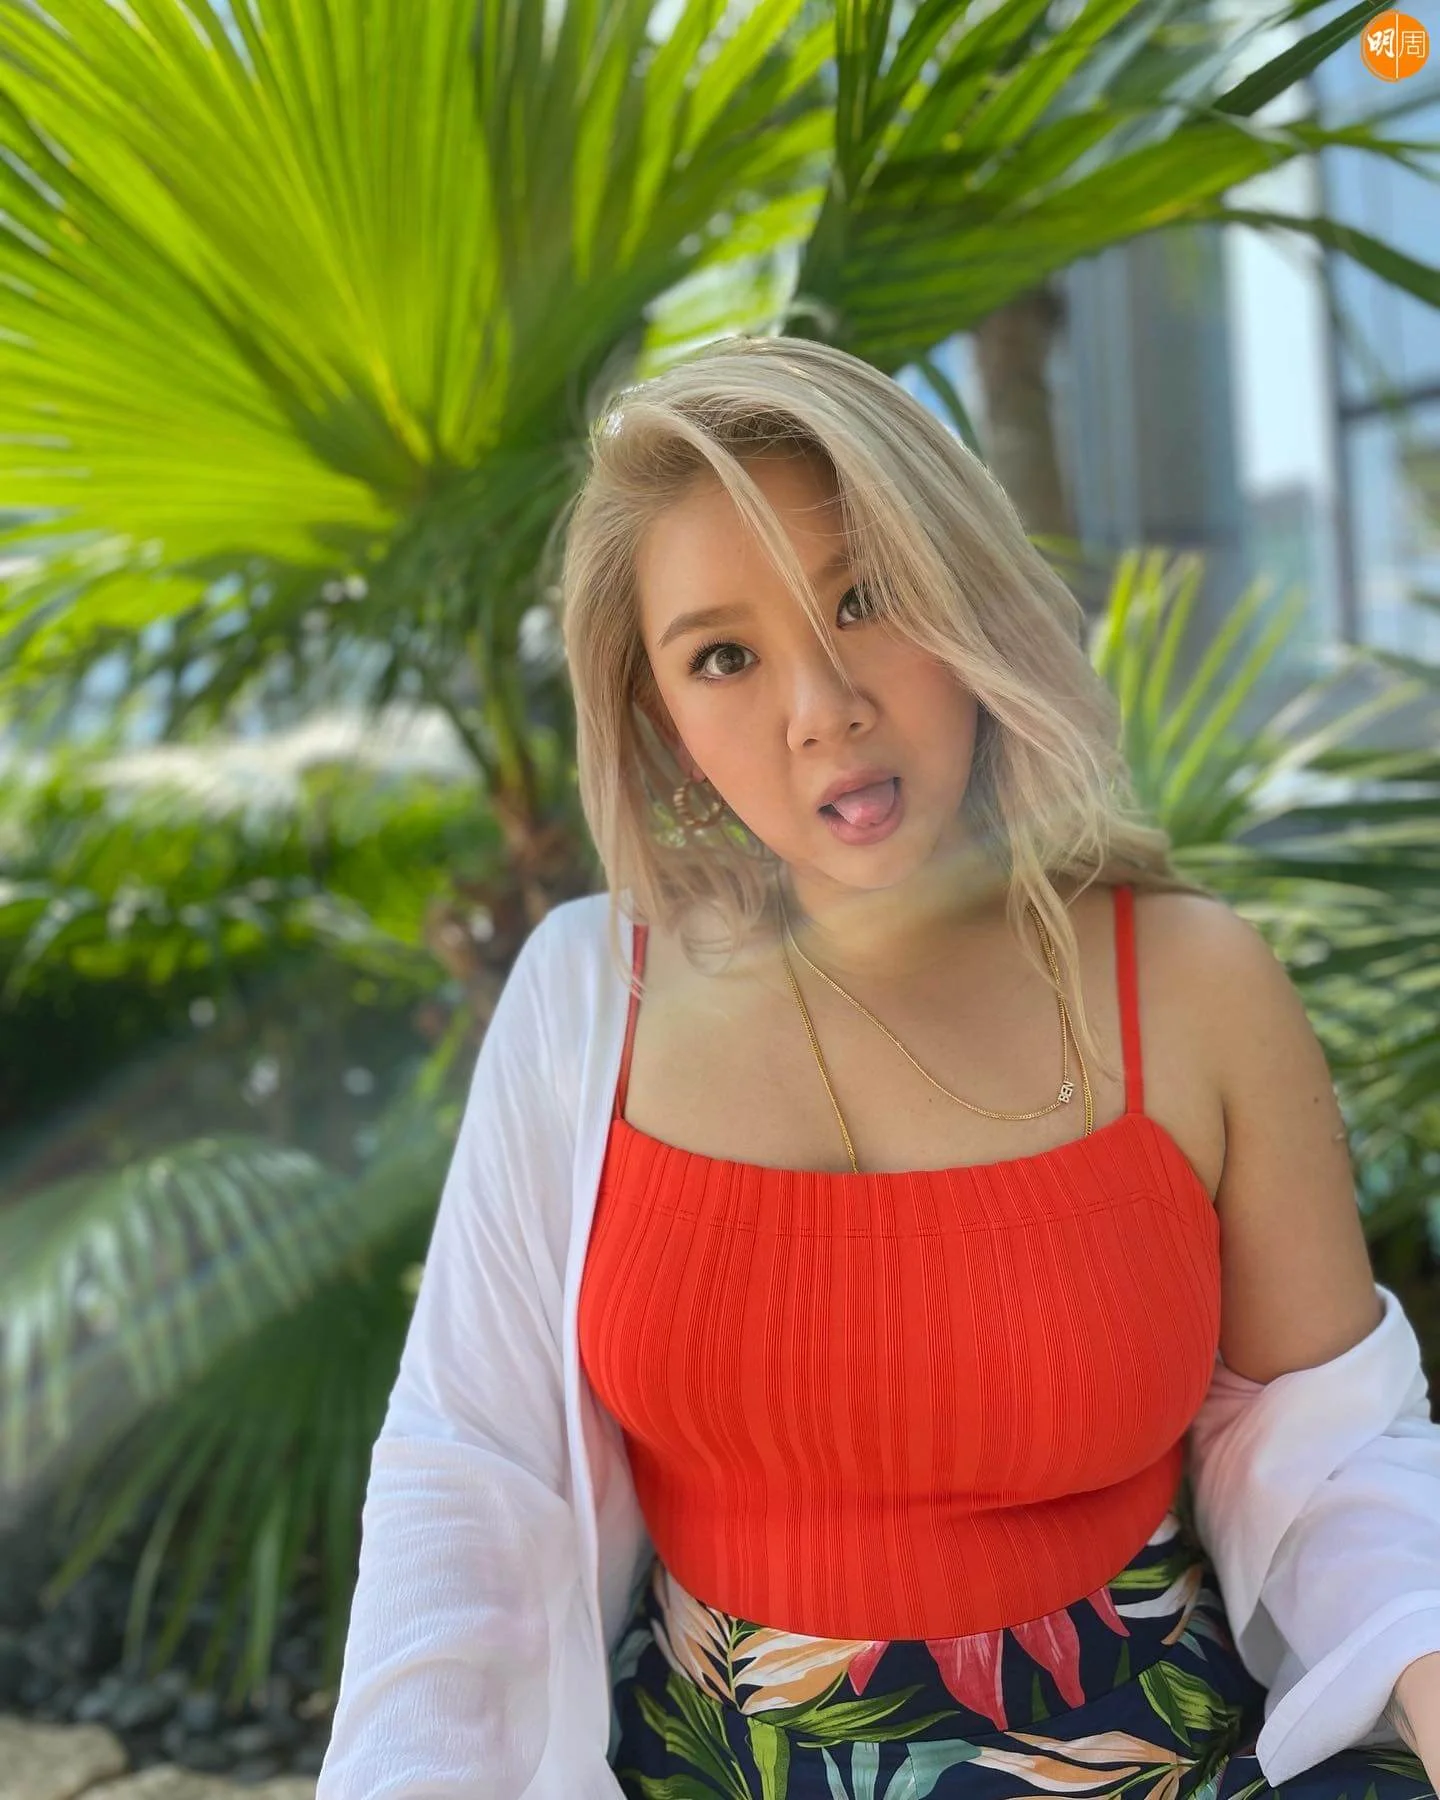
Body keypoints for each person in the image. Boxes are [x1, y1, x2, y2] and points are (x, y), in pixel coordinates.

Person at [314, 336, 1440, 1800]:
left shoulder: (1193, 982)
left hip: (1143, 1762)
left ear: (965, 594)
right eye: (724, 656)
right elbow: (469, 1470)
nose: (822, 707)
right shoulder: (591, 993)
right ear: (660, 715)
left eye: (866, 598)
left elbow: (1329, 1447)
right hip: (701, 1767)